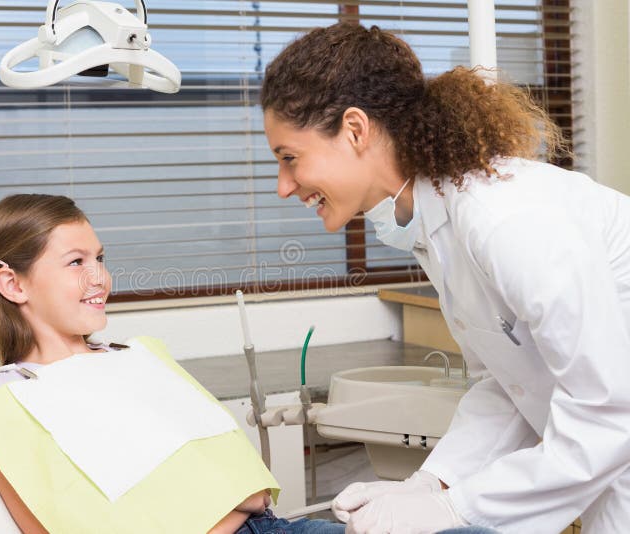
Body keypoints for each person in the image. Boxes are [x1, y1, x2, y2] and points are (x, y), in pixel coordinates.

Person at [260, 22, 630, 534]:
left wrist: (452, 509)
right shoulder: (438, 227)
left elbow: (609, 411)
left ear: (355, 129)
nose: (283, 186)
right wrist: (430, 484)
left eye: (289, 159)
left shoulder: (503, 220)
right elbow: (510, 385)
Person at [0, 193, 346, 534]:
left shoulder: (133, 357)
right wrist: (231, 507)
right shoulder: (5, 401)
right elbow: (56, 524)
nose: (100, 278)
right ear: (13, 284)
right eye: (76, 262)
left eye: (100, 258)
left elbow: (252, 486)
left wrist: (234, 500)